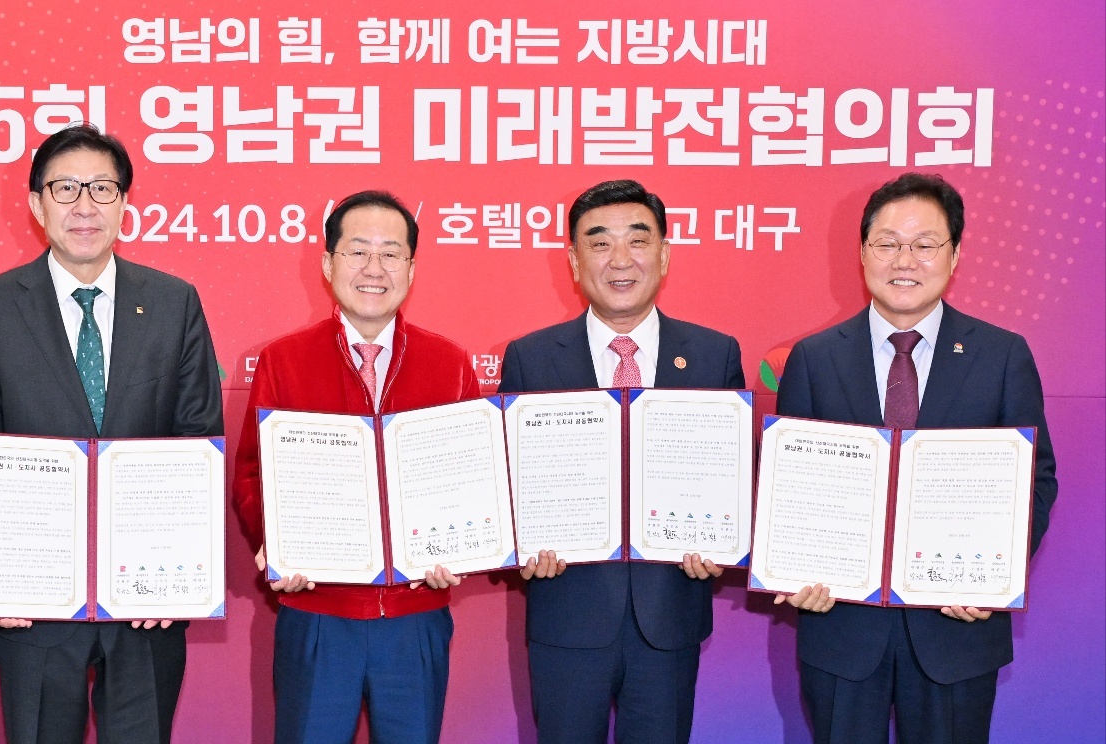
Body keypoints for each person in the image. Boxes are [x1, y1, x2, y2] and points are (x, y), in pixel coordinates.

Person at [0, 123, 223, 744]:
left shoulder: (174, 301)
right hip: (33, 597)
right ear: (36, 203)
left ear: (125, 204)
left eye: (103, 189)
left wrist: (181, 572)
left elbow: (197, 439)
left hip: (147, 595)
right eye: (65, 188)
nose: (84, 206)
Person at [774, 172, 1057, 744]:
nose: (905, 260)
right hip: (841, 627)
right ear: (862, 253)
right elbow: (787, 487)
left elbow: (1037, 480)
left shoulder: (1002, 355)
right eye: (887, 243)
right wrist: (794, 568)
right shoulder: (813, 358)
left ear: (955, 255)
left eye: (925, 244)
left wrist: (991, 577)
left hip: (956, 628)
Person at [497, 179, 745, 744]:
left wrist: (724, 542)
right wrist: (519, 544)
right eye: (599, 243)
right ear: (573, 261)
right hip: (566, 612)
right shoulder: (531, 358)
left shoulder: (715, 354)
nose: (620, 259)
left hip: (670, 615)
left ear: (664, 254)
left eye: (637, 240)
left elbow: (734, 479)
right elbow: (508, 482)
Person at [232, 190, 477, 744]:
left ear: (412, 268)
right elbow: (251, 474)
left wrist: (461, 551)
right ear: (327, 264)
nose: (374, 268)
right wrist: (278, 544)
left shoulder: (450, 363)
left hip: (416, 614)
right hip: (318, 611)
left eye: (391, 253)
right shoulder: (284, 360)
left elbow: (471, 481)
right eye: (357, 251)